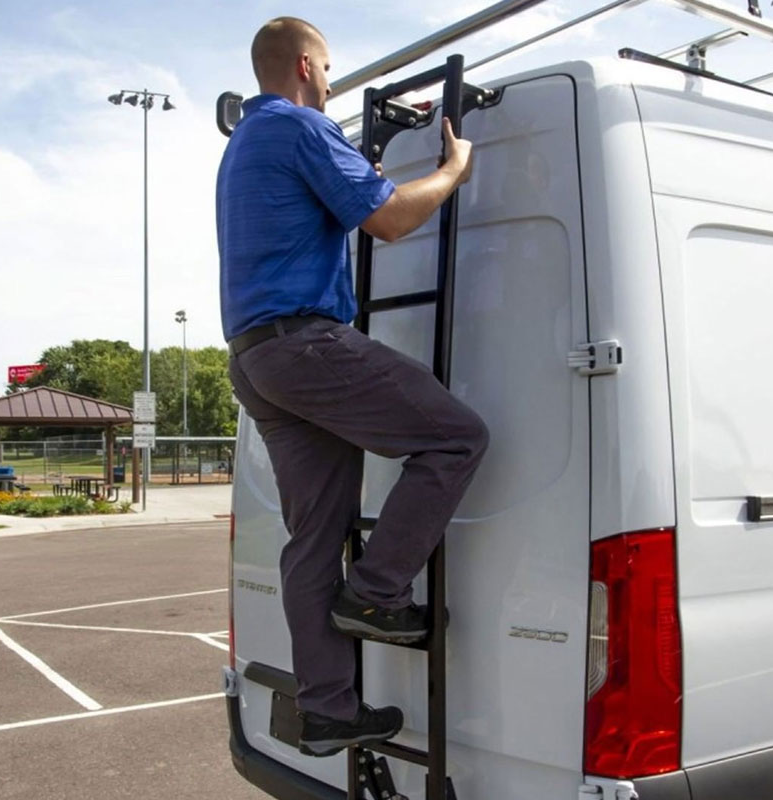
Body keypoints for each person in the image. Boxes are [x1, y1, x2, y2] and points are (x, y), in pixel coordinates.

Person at [217, 16, 489, 758]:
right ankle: (376, 591)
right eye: (330, 69)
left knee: (312, 540)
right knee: (457, 437)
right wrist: (453, 171)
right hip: (303, 344)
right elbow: (393, 220)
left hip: (255, 360)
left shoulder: (245, 142)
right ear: (305, 66)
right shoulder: (301, 129)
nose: (334, 82)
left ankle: (329, 711)